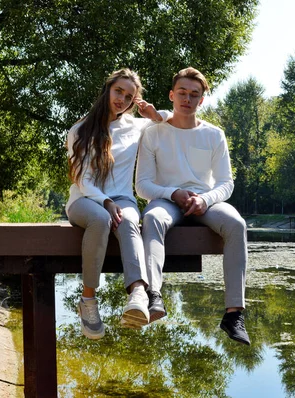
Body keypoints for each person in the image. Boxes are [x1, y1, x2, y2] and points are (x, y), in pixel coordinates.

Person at [135, 67, 251, 345]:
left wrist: (205, 199)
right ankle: (154, 296)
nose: (187, 99)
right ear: (172, 95)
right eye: (182, 93)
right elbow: (142, 185)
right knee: (152, 219)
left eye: (194, 94)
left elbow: (225, 183)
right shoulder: (153, 133)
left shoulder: (214, 135)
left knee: (236, 224)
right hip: (166, 200)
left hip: (206, 203)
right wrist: (174, 193)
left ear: (202, 100)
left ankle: (234, 314)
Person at [66, 68, 170, 339]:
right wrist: (106, 202)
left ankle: (138, 293)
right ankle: (88, 301)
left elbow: (174, 119)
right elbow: (81, 180)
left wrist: (154, 115)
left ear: (134, 100)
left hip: (123, 197)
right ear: (107, 89)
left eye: (129, 96)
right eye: (118, 91)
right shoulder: (80, 130)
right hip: (85, 199)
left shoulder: (137, 127)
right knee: (101, 219)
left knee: (129, 221)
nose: (122, 99)